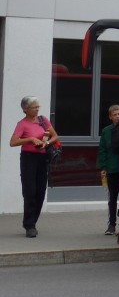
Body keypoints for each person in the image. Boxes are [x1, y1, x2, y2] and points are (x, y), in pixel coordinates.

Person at [8, 96, 59, 238]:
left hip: (42, 158)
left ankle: (32, 222)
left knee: (40, 192)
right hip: (28, 159)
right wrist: (30, 139)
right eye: (34, 107)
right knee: (30, 191)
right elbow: (13, 142)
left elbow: (55, 137)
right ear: (25, 109)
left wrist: (46, 143)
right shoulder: (22, 124)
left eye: (38, 107)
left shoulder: (43, 120)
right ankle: (29, 225)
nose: (37, 109)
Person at [97, 103, 119, 235]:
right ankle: (112, 225)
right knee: (112, 198)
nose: (117, 116)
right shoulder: (106, 131)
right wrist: (103, 167)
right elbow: (102, 149)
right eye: (114, 115)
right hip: (111, 168)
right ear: (110, 117)